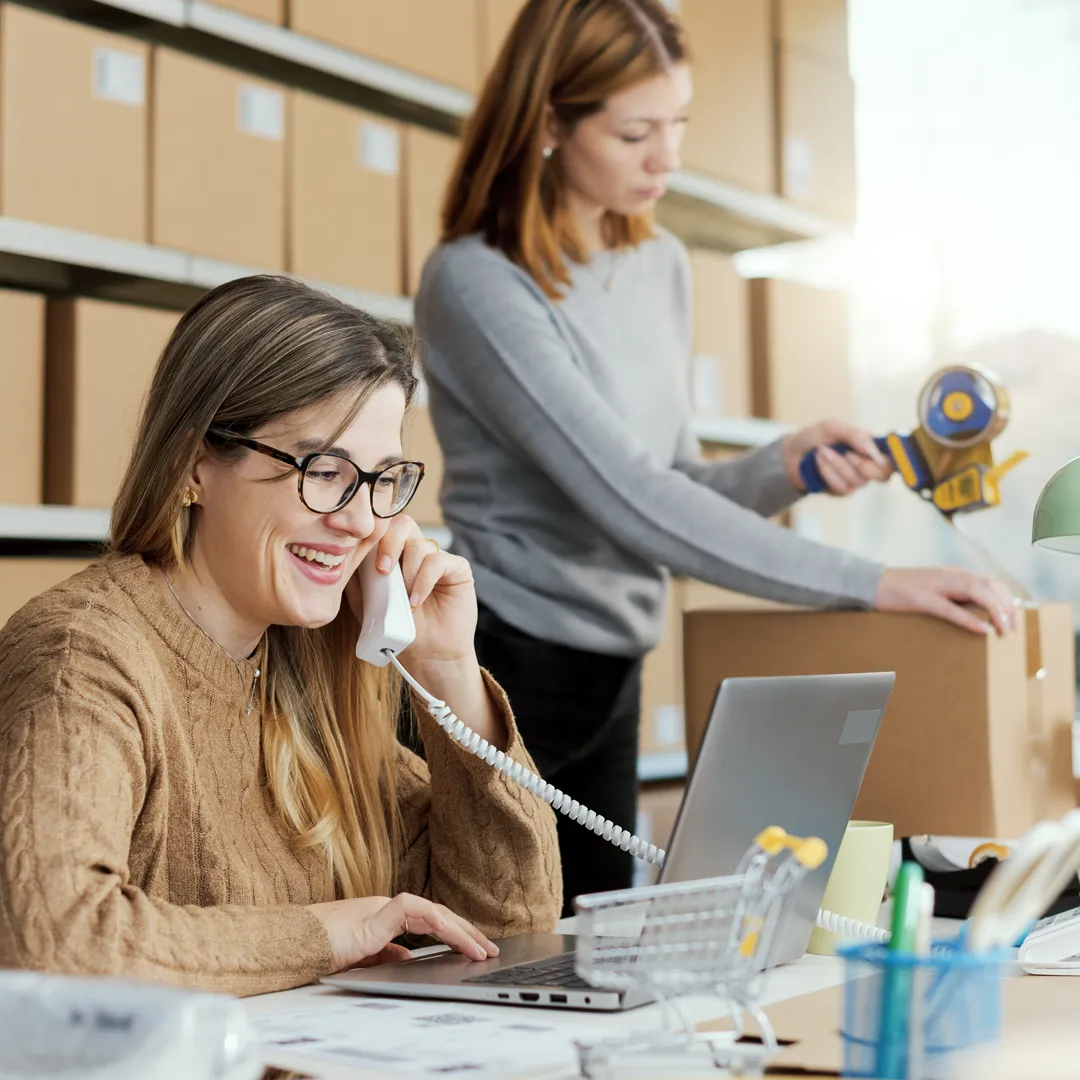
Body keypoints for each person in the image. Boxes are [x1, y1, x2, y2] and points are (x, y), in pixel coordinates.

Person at [413, 0, 1016, 914]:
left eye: (680, 123)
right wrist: (874, 582)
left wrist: (788, 467)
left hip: (614, 670)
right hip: (501, 664)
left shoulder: (659, 265)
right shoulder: (476, 282)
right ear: (548, 123)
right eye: (635, 132)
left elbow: (673, 483)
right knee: (484, 944)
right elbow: (630, 501)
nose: (669, 157)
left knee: (583, 957)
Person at [0, 276, 560, 997]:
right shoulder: (83, 654)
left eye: (382, 480)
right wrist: (326, 934)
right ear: (195, 464)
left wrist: (448, 668)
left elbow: (511, 926)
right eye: (324, 471)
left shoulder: (312, 673)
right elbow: (53, 944)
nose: (360, 521)